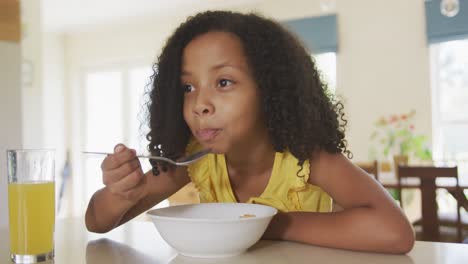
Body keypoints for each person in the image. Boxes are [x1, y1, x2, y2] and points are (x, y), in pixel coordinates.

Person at [85, 10, 414, 254]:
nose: (200, 103)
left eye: (223, 82)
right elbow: (97, 222)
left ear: (271, 90)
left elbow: (395, 232)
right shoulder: (195, 159)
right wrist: (120, 192)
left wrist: (266, 224)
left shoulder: (306, 157)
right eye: (187, 86)